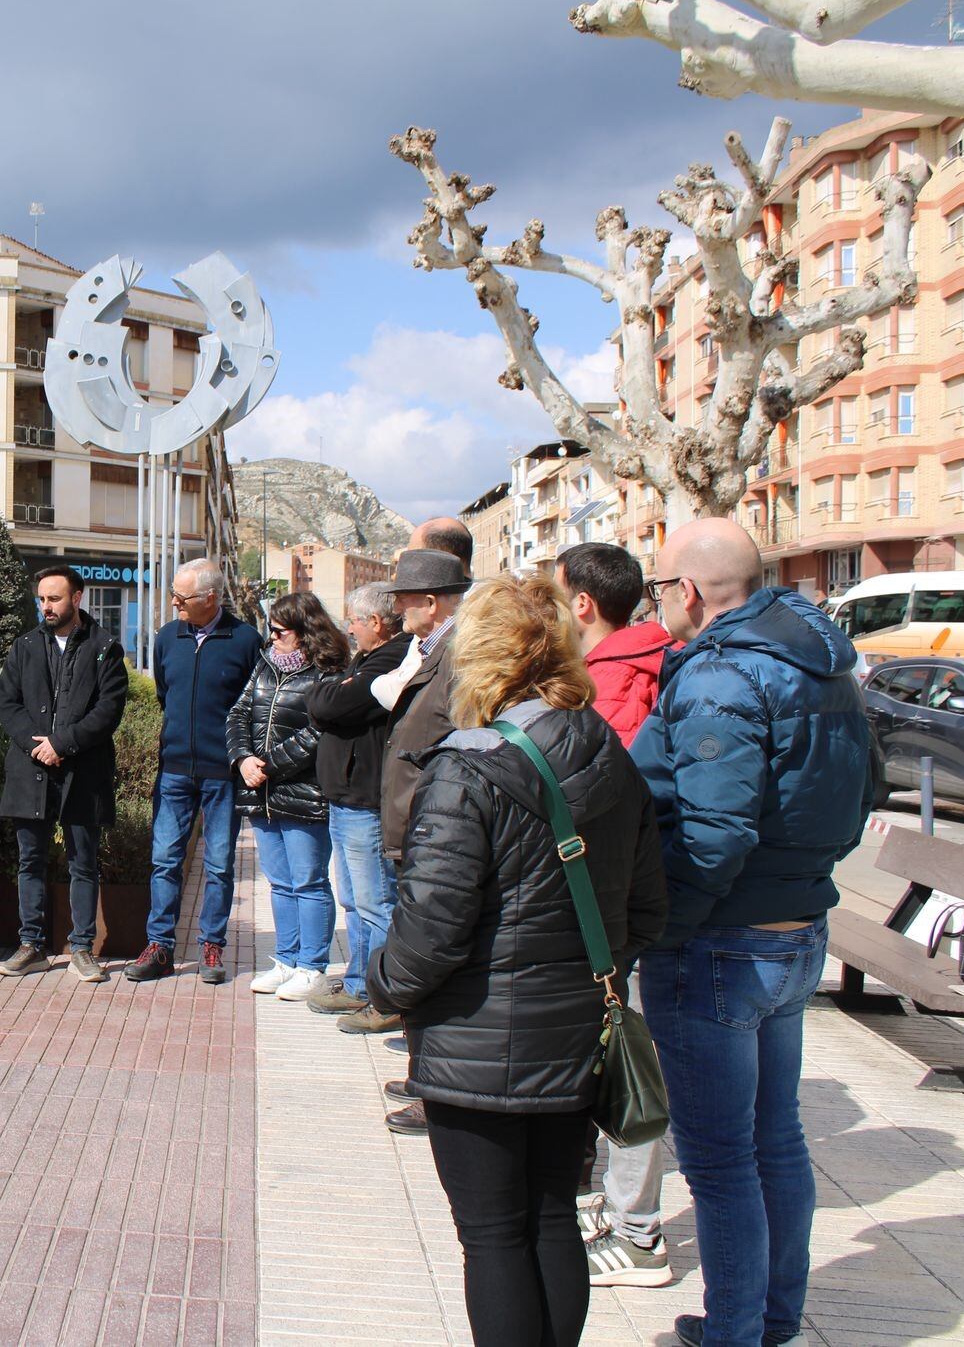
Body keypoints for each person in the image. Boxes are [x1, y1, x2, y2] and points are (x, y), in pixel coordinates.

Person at [368, 574, 666, 1347]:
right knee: (552, 1214)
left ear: (481, 656)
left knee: (494, 1233)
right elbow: (646, 911)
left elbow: (428, 934)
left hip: (474, 1042)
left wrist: (381, 983)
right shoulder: (611, 751)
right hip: (575, 1034)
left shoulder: (467, 766)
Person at [631, 519, 874, 1347]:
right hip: (794, 927)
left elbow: (715, 832)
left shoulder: (720, 672)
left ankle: (737, 1331)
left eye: (659, 586)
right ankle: (770, 1320)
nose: (657, 603)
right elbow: (861, 791)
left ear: (688, 590)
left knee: (722, 1157)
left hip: (721, 942)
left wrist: (663, 926)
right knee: (776, 1140)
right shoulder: (821, 659)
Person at [555, 541, 676, 1288]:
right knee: (628, 1052)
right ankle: (621, 1210)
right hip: (644, 897)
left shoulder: (609, 680)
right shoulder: (662, 658)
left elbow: (599, 798)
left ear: (581, 604)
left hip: (614, 907)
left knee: (629, 1057)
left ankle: (638, 1231)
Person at [126, 557, 261, 985]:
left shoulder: (246, 640)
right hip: (175, 771)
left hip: (224, 773)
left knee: (219, 864)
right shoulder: (168, 637)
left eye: (181, 597)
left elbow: (254, 708)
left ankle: (211, 945)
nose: (174, 603)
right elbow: (165, 695)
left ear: (211, 598)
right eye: (174, 595)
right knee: (165, 860)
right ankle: (159, 946)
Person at [374, 546, 473, 1128]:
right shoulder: (433, 649)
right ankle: (423, 1074)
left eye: (405, 600)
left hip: (433, 830)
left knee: (431, 959)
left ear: (431, 602)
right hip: (418, 825)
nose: (398, 610)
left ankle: (436, 1089)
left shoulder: (458, 655)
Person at [0, 566, 128, 983]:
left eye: (54, 598)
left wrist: (62, 743)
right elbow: (7, 703)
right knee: (30, 860)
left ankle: (82, 948)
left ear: (77, 598)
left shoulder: (105, 648)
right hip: (30, 768)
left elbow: (108, 711)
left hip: (83, 772)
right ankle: (31, 945)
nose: (46, 607)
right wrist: (38, 746)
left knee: (83, 863)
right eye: (41, 599)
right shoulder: (24, 646)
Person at [228, 592, 348, 1000]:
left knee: (308, 882)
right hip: (261, 791)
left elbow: (318, 731)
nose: (273, 637)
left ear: (305, 631)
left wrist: (269, 764)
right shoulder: (265, 663)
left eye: (280, 631)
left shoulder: (327, 671)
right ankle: (287, 960)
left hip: (303, 791)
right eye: (271, 630)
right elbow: (239, 713)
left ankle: (312, 967)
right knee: (280, 883)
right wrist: (243, 758)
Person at [300, 581, 411, 1019]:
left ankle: (383, 997)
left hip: (366, 801)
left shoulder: (392, 657)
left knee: (376, 902)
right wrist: (334, 690)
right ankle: (358, 983)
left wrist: (334, 691)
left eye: (355, 621)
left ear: (377, 622)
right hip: (345, 799)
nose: (349, 628)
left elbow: (330, 704)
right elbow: (324, 697)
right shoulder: (365, 659)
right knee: (354, 901)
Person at [556, 542, 673, 748]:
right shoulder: (646, 654)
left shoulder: (610, 680)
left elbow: (606, 764)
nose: (549, 607)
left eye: (555, 597)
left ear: (582, 603)